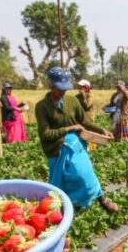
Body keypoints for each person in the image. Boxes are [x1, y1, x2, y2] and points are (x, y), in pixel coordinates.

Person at [35, 67, 118, 212]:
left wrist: (101, 130)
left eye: (65, 88)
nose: (63, 91)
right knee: (62, 182)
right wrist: (69, 129)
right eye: (60, 88)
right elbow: (45, 134)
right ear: (51, 85)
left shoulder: (72, 101)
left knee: (85, 174)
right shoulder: (42, 106)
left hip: (76, 146)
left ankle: (102, 199)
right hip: (56, 149)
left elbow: (84, 122)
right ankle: (66, 209)